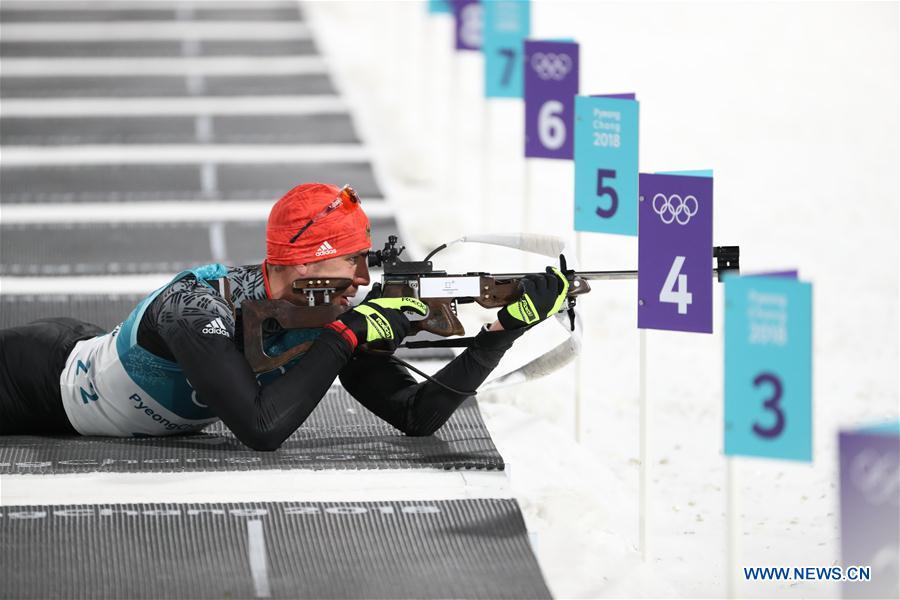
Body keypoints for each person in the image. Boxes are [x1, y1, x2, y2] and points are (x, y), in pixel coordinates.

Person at [0, 183, 568, 450]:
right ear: (304, 264)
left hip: (80, 370)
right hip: (30, 380)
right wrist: (349, 333)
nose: (363, 282)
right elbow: (262, 427)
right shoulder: (197, 308)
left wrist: (501, 334)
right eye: (352, 264)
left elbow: (416, 414)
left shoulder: (323, 319)